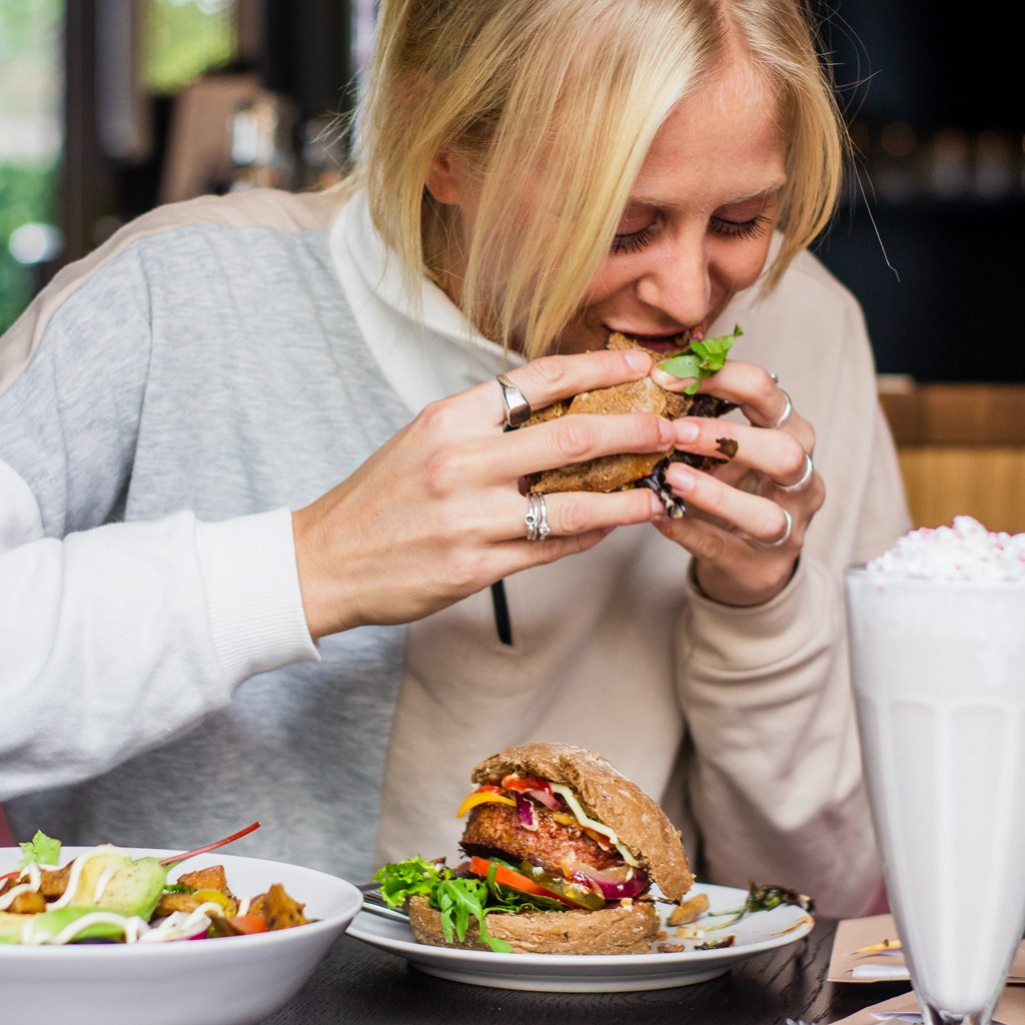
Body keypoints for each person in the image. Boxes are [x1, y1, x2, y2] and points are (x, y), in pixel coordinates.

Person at [0, 0, 908, 917]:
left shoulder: (806, 335)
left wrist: (761, 606)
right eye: (623, 226)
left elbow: (829, 898)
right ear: (438, 144)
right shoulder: (172, 296)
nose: (686, 293)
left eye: (743, 220)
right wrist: (307, 564)